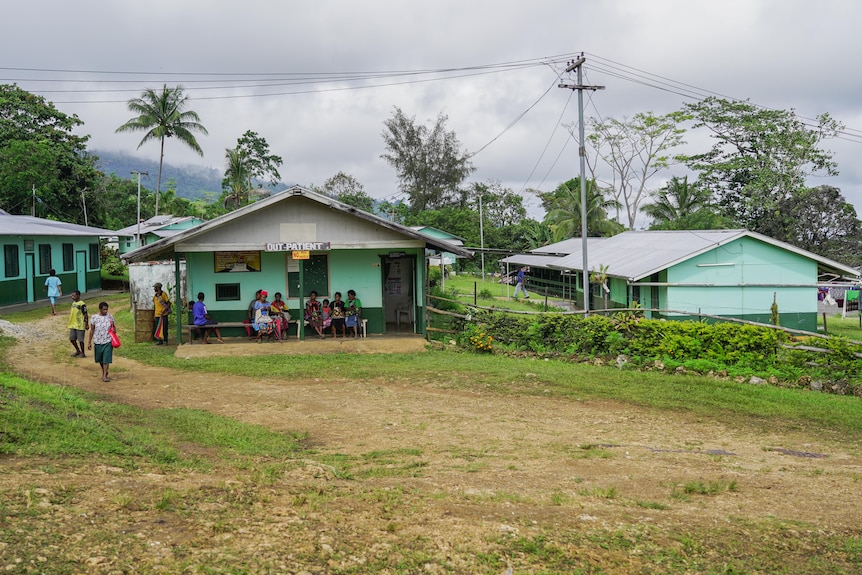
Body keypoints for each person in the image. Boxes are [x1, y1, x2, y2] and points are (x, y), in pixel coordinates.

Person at [87, 301, 115, 382]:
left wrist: (113, 331)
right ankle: (104, 371)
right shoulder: (94, 318)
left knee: (106, 359)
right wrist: (89, 342)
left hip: (108, 341)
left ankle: (104, 376)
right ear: (100, 309)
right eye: (104, 309)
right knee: (100, 359)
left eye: (106, 309)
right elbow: (92, 330)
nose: (105, 311)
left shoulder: (110, 317)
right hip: (98, 341)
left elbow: (114, 327)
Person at [68, 290, 88, 358]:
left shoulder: (82, 304)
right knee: (72, 339)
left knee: (80, 340)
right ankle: (77, 350)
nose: (72, 297)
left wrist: (86, 323)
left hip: (80, 324)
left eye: (74, 295)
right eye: (72, 296)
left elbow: (85, 314)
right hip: (73, 324)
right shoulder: (73, 303)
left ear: (78, 296)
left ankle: (83, 353)